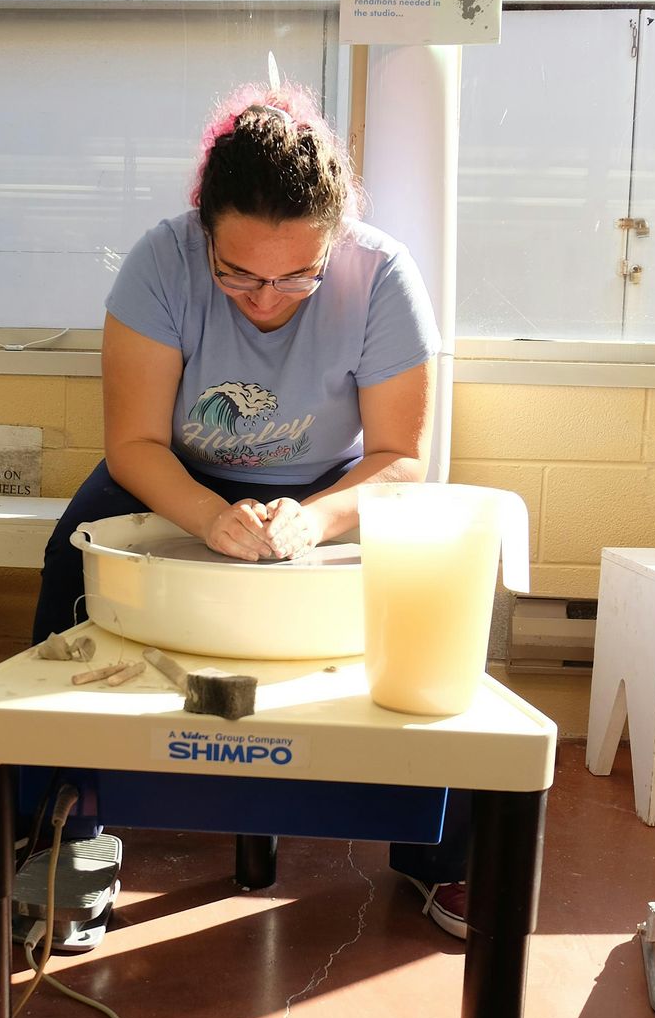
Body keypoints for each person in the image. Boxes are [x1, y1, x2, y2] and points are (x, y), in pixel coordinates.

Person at [33, 82, 470, 939]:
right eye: (238, 274)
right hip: (174, 469)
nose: (266, 299)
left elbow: (400, 458)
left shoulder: (382, 275)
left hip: (334, 480)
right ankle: (61, 835)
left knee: (436, 590)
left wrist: (319, 517)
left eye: (296, 276)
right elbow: (134, 445)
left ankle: (441, 851)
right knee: (68, 563)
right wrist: (205, 516)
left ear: (335, 242)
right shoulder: (160, 262)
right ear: (204, 230)